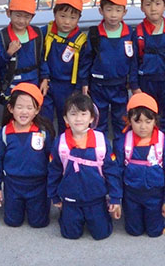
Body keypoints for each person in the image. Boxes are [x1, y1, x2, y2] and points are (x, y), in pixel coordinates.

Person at [49, 92, 119, 240]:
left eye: (83, 114)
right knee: (70, 235)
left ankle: (101, 215)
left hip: (96, 199)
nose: (79, 119)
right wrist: (54, 196)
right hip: (70, 199)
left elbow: (112, 171)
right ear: (65, 118)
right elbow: (54, 171)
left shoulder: (101, 142)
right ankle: (67, 216)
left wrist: (115, 198)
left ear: (92, 118)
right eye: (73, 114)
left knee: (102, 234)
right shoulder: (60, 143)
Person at [0, 82, 54, 229]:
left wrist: (53, 189)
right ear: (11, 108)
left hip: (38, 184)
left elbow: (52, 162)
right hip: (13, 184)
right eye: (19, 107)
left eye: (29, 107)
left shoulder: (43, 132)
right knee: (12, 222)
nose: (24, 112)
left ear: (37, 110)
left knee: (38, 223)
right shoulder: (4, 133)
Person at [81, 0, 138, 140]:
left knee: (122, 122)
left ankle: (121, 155)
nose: (113, 15)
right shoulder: (94, 34)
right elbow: (86, 60)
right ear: (101, 11)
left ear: (124, 12)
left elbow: (134, 61)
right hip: (98, 86)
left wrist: (133, 83)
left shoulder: (130, 34)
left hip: (120, 86)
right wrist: (84, 82)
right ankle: (102, 156)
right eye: (109, 9)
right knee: (99, 122)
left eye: (118, 10)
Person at [118, 92, 165, 237]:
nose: (143, 126)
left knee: (154, 232)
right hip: (131, 196)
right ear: (129, 120)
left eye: (148, 121)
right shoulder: (123, 143)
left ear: (155, 121)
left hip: (155, 196)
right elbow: (116, 172)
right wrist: (115, 199)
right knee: (133, 231)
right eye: (137, 121)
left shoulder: (164, 144)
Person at [36, 0, 88, 124]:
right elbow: (40, 56)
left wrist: (78, 88)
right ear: (54, 14)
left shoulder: (81, 40)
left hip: (68, 86)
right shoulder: (45, 33)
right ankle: (47, 143)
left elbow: (84, 65)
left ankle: (64, 143)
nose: (66, 21)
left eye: (72, 17)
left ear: (79, 18)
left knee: (66, 119)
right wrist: (44, 76)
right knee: (44, 118)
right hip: (47, 83)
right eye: (62, 16)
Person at [0, 0, 46, 121]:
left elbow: (42, 58)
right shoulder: (3, 37)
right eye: (17, 15)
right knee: (10, 116)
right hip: (12, 83)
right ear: (8, 13)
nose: (22, 21)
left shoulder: (37, 34)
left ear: (32, 17)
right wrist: (8, 53)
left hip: (33, 81)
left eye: (27, 17)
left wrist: (45, 78)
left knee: (32, 114)